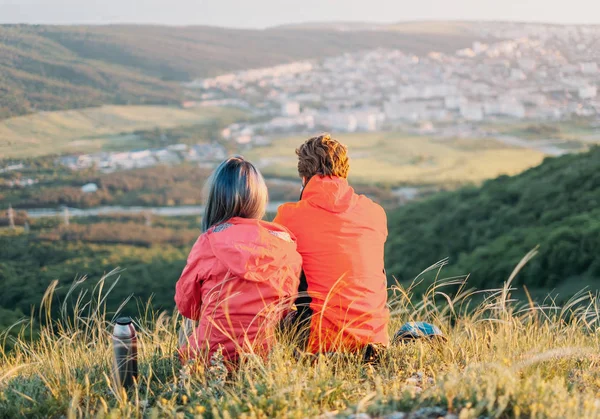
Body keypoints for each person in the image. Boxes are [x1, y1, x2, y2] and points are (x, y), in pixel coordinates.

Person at [175, 156, 302, 364]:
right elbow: (286, 307)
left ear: (216, 199)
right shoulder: (285, 245)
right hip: (263, 360)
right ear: (259, 197)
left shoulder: (208, 242)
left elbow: (186, 306)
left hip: (208, 358)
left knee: (187, 337)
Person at [274, 133, 389, 356]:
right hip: (375, 340)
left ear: (304, 178)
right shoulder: (375, 212)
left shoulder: (289, 216)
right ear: (344, 171)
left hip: (320, 343)